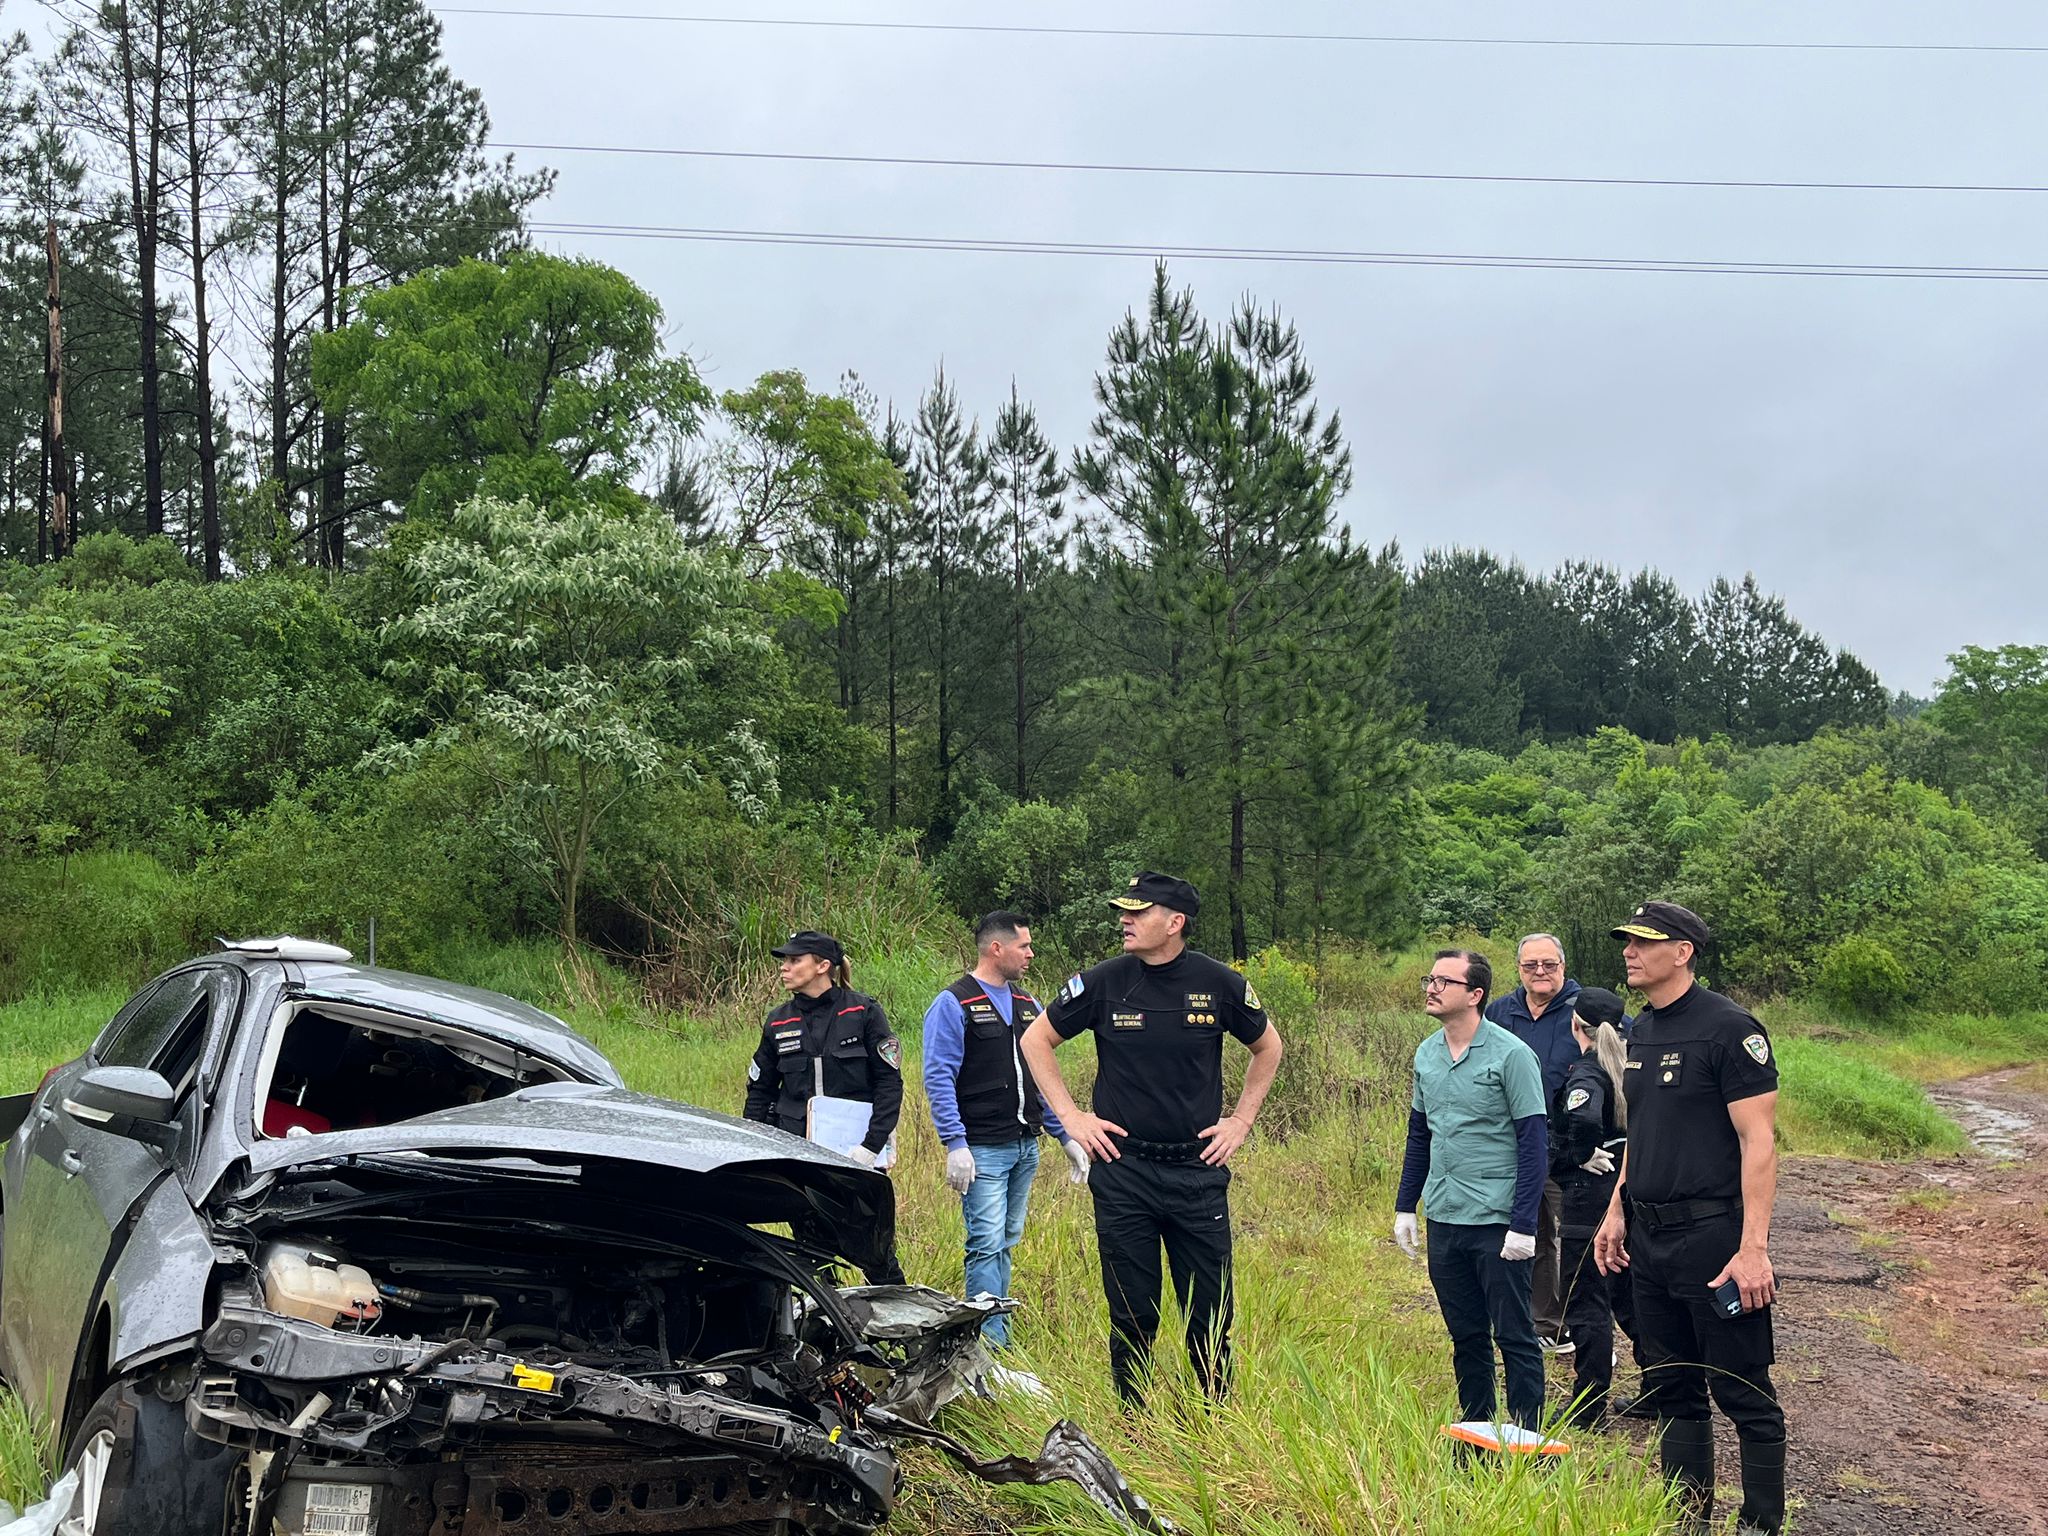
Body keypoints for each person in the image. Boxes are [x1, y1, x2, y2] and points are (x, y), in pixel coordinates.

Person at [1019, 872, 1283, 1407]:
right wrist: (1071, 1116)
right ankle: (1135, 1423)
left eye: (1138, 912)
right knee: (1132, 1311)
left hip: (1196, 1170)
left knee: (1209, 1311)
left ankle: (1212, 1418)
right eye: (1125, 911)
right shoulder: (1104, 982)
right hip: (1124, 1169)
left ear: (1175, 922)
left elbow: (1268, 1047)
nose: (1125, 920)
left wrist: (1240, 1121)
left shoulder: (1220, 983)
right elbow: (1036, 1039)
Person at [1594, 902, 1784, 1536]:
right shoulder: (1642, 1030)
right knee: (1672, 1385)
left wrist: (1752, 1249)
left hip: (1712, 1237)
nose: (1629, 952)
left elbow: (1759, 1142)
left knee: (1741, 1387)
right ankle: (1687, 1519)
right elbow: (1643, 1132)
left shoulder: (1729, 1029)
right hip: (1649, 1238)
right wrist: (1617, 1209)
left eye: (1644, 942)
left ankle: (1759, 1523)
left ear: (1683, 953)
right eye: (1627, 941)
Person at [1394, 948, 1549, 1431]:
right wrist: (1406, 1205)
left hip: (1497, 1220)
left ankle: (1526, 1437)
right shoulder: (1427, 1054)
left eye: (1445, 981)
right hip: (1445, 1215)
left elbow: (1534, 1143)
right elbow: (1420, 1134)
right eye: (1430, 979)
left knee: (1514, 1334)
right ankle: (1477, 1429)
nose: (1432, 988)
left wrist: (1524, 1225)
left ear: (1475, 994)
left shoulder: (1512, 1055)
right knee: (1466, 1335)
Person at [921, 910, 1090, 1354]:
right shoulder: (954, 1003)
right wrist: (955, 1144)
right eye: (1024, 946)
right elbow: (938, 1077)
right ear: (997, 948)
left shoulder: (1027, 1004)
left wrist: (1065, 1136)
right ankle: (986, 1348)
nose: (1031, 954)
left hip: (1024, 1146)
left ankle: (998, 1331)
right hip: (982, 1149)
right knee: (985, 1243)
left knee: (1005, 1242)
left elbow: (1039, 1078)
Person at [743, 929, 906, 1285]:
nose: (784, 968)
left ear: (822, 966)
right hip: (799, 1157)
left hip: (856, 1157)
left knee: (875, 1253)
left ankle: (900, 1310)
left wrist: (871, 1146)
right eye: (784, 961)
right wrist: (754, 1150)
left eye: (794, 960)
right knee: (812, 1257)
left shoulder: (863, 1011)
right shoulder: (778, 1021)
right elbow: (760, 1091)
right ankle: (826, 1317)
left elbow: (889, 1083)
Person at [1485, 933, 1582, 1352]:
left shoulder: (1586, 1009)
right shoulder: (1498, 1012)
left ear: (1563, 965)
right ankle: (1549, 1325)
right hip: (1517, 1147)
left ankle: (1590, 1329)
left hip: (1574, 1151)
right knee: (1530, 1234)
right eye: (1530, 965)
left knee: (1581, 1239)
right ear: (1519, 969)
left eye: (1548, 964)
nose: (1540, 971)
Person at [1550, 985, 1631, 1426]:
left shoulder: (1587, 1071)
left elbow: (1581, 1116)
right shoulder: (1627, 1065)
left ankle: (1588, 1403)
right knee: (1629, 1294)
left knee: (1586, 1298)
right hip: (1629, 1192)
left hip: (1590, 1198)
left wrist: (1581, 1154)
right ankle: (1662, 1386)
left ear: (1575, 1025)